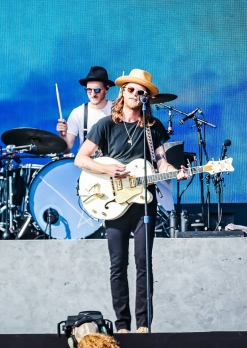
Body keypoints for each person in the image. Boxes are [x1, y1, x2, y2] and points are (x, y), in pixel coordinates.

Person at [75, 69, 187, 333]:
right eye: (132, 90)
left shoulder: (153, 127)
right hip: (113, 202)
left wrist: (176, 171)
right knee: (118, 265)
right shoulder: (105, 125)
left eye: (142, 92)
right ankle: (122, 325)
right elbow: (81, 159)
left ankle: (143, 325)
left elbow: (160, 162)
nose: (137, 95)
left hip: (143, 203)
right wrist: (107, 170)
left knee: (143, 264)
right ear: (122, 92)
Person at [57, 66, 115, 153]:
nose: (92, 94)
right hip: (87, 164)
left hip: (111, 163)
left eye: (97, 90)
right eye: (89, 90)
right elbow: (66, 150)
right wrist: (63, 135)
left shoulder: (117, 110)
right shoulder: (78, 113)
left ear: (107, 88)